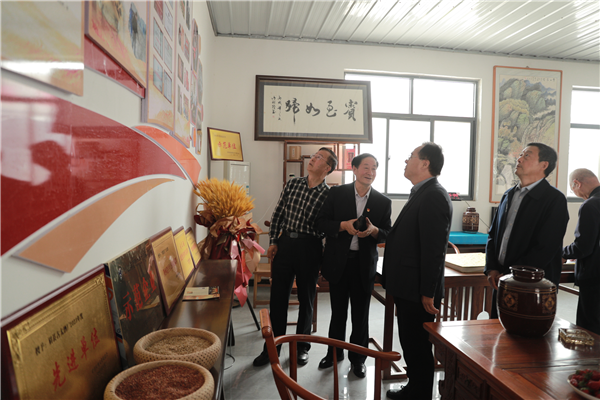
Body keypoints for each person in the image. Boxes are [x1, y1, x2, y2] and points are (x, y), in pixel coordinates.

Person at [253, 147, 338, 367]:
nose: (313, 159)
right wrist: (273, 241)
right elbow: (278, 214)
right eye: (314, 155)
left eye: (319, 157)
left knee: (306, 299)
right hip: (285, 245)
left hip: (310, 247)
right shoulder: (293, 184)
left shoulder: (329, 195)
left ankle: (302, 347)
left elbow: (328, 228)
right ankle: (272, 348)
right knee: (277, 298)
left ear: (327, 168)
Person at [382, 143, 452, 400]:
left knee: (418, 344)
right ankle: (415, 388)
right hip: (408, 286)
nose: (406, 160)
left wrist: (428, 291)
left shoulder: (434, 195)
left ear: (425, 163)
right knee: (411, 341)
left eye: (411, 156)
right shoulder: (421, 192)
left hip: (417, 289)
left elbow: (434, 250)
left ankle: (420, 393)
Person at [315, 153, 392, 378]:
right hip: (339, 262)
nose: (370, 172)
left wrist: (374, 231)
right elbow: (320, 223)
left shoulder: (383, 202)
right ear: (355, 169)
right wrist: (342, 225)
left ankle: (358, 359)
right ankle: (334, 353)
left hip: (363, 265)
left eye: (374, 168)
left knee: (361, 314)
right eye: (366, 167)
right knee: (337, 312)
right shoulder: (336, 193)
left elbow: (387, 233)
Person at [485, 143, 569, 318]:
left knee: (526, 332)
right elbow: (493, 235)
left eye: (527, 155)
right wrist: (492, 268)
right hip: (501, 280)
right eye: (520, 155)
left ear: (544, 165)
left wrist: (511, 275)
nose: (519, 159)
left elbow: (546, 247)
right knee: (496, 330)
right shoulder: (509, 195)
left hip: (533, 285)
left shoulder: (554, 199)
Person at [563, 168, 600, 335]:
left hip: (595, 278)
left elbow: (583, 247)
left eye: (573, 191)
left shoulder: (590, 205)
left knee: (590, 331)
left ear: (577, 183)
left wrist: (562, 253)